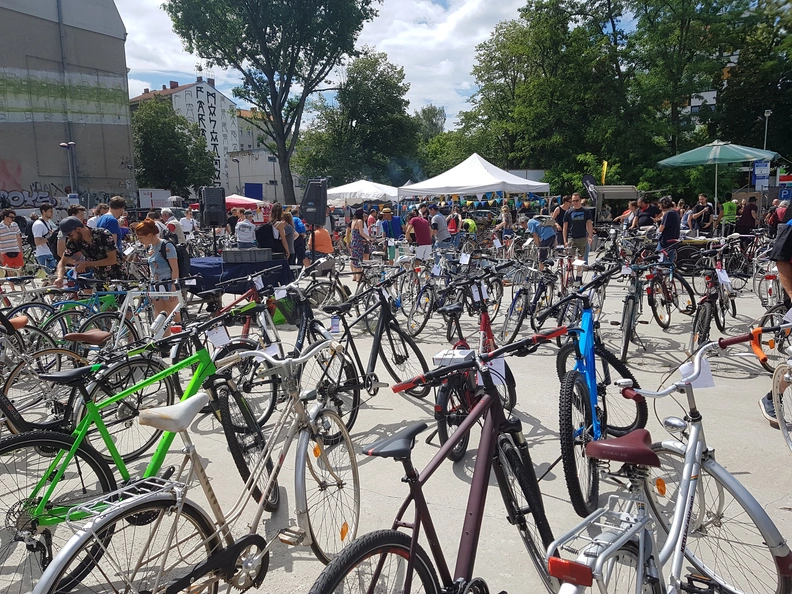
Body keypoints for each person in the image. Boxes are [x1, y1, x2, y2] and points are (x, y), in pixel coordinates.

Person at [133, 218, 180, 334]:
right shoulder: (151, 247)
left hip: (168, 284)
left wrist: (174, 286)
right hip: (155, 284)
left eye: (141, 238)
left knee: (174, 316)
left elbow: (175, 268)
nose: (140, 241)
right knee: (160, 317)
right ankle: (166, 346)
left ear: (149, 235)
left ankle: (181, 344)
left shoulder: (167, 246)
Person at [55, 216, 122, 286]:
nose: (69, 238)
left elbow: (112, 260)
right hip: (99, 279)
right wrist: (60, 277)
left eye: (70, 235)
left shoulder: (103, 234)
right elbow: (62, 262)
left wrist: (87, 264)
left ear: (78, 229)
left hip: (118, 277)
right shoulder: (74, 241)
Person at [563, 192, 594, 280]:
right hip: (571, 237)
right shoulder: (568, 212)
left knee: (580, 258)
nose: (575, 202)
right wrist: (565, 240)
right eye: (573, 201)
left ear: (580, 200)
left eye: (577, 200)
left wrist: (590, 236)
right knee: (571, 258)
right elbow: (565, 227)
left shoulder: (586, 211)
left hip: (582, 237)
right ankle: (570, 276)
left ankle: (579, 276)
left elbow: (589, 224)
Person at [32, 204, 58, 271]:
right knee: (52, 277)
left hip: (49, 253)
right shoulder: (39, 224)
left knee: (50, 278)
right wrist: (50, 238)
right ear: (43, 212)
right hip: (44, 255)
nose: (52, 213)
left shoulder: (47, 223)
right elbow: (37, 242)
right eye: (50, 211)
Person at [349, 209, 370, 280]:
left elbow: (354, 233)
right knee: (359, 260)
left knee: (354, 260)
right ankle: (359, 278)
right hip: (358, 243)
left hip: (353, 242)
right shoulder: (360, 221)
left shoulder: (353, 221)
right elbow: (361, 233)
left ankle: (354, 276)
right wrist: (369, 238)